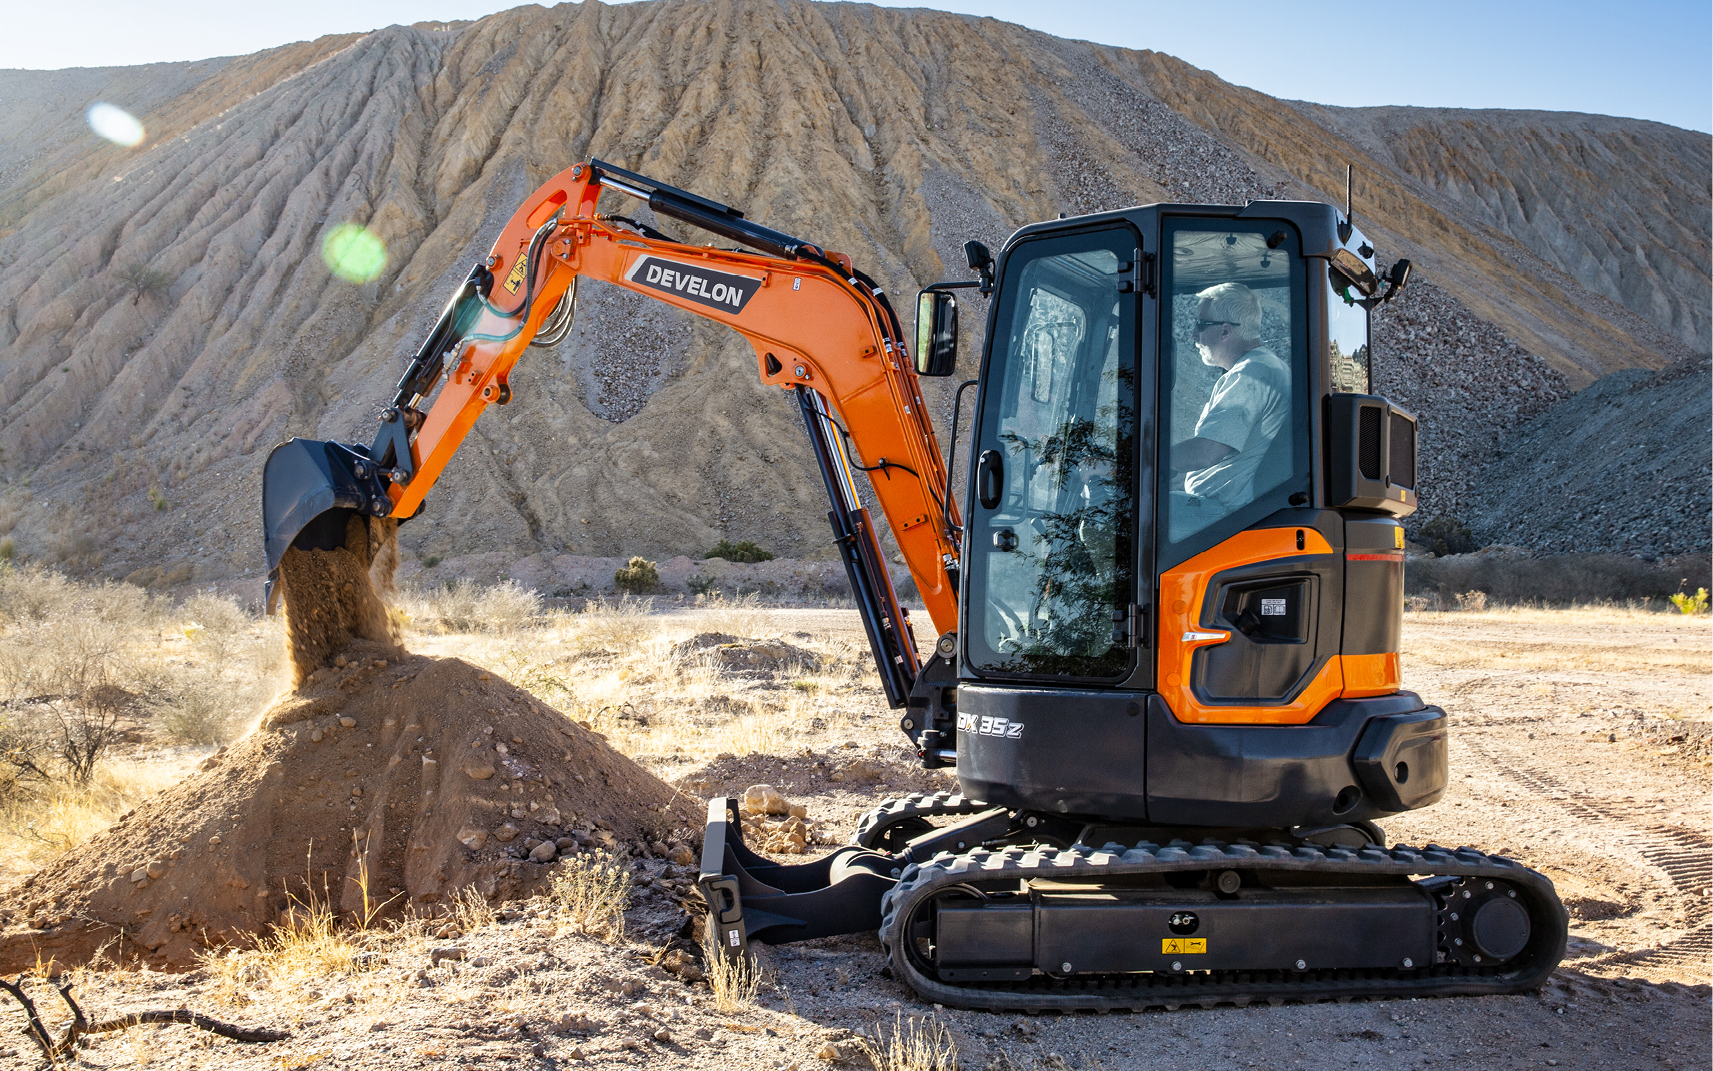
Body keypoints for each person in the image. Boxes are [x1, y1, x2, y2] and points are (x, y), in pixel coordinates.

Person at [1171, 281, 1290, 521]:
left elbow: (1205, 453)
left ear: (1226, 331)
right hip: (1230, 507)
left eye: (1200, 325)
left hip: (1221, 514)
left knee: (1111, 518)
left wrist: (1142, 460)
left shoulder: (1250, 374)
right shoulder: (1268, 367)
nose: (1193, 335)